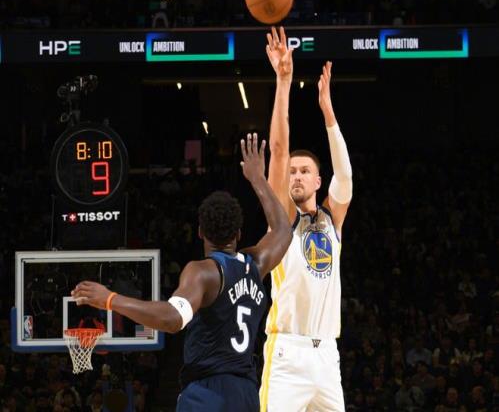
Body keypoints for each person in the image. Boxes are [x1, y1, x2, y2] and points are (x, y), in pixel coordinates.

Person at [71, 133, 292, 412]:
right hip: (247, 393)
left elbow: (173, 319)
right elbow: (283, 230)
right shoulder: (256, 264)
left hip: (207, 393)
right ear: (238, 233)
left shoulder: (203, 272)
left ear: (200, 232)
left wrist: (111, 299)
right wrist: (257, 178)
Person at [259, 27, 353, 411]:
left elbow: (345, 176)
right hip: (288, 354)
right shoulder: (281, 219)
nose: (295, 176)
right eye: (292, 172)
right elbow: (279, 150)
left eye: (304, 171)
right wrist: (283, 82)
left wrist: (329, 115)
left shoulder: (332, 219)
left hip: (327, 354)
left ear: (317, 181)